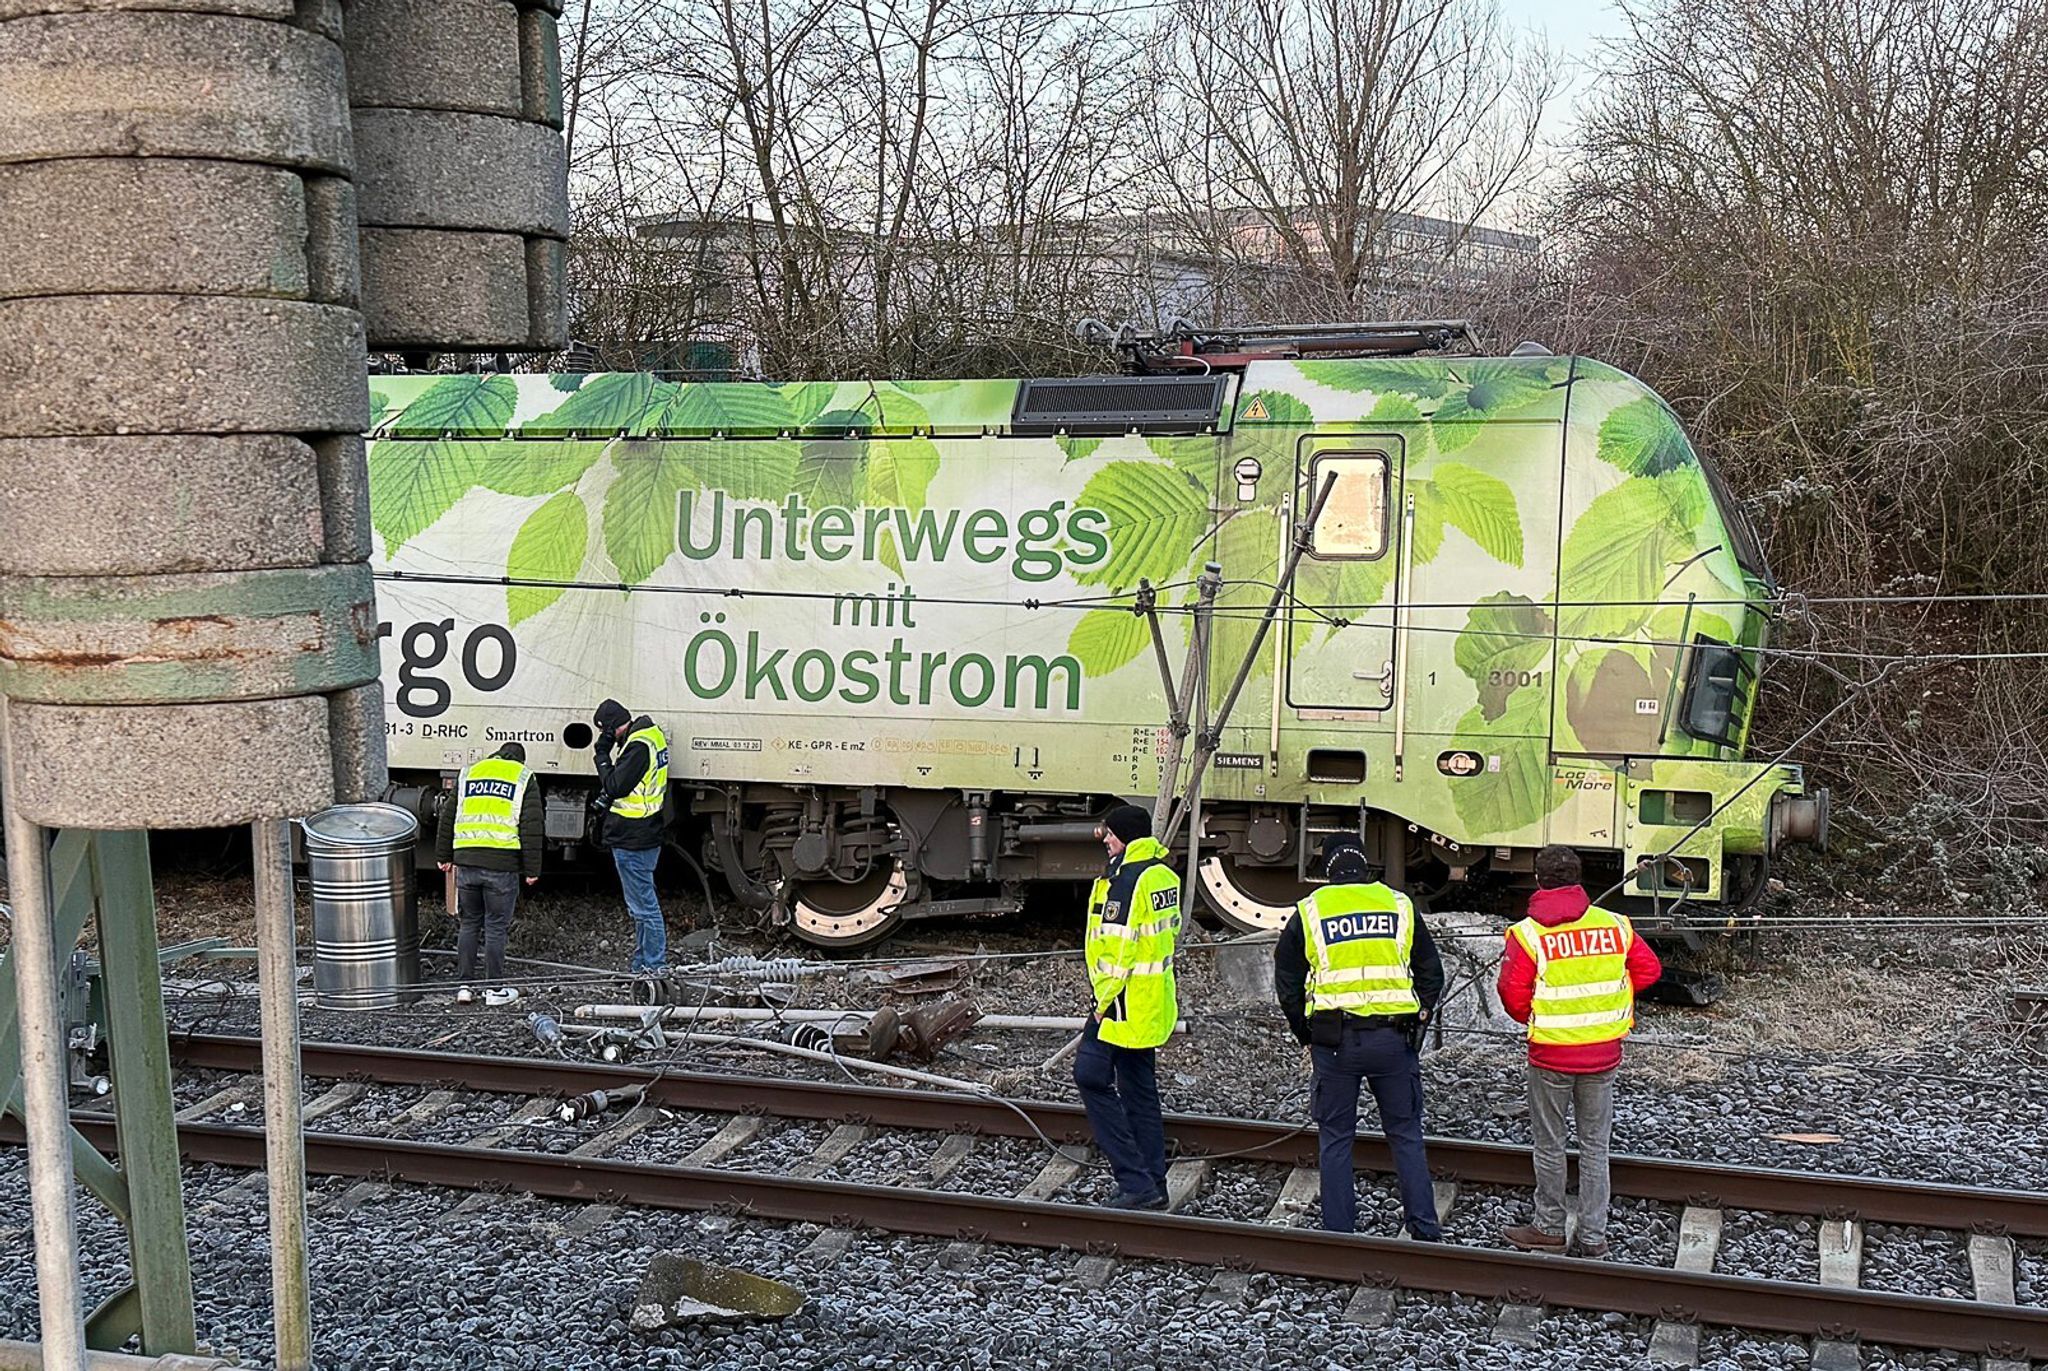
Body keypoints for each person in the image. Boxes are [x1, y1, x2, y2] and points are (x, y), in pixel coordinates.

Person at [1274, 833, 1445, 1239]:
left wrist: (1305, 1032)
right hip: (1394, 1042)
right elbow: (1430, 972)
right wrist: (1418, 1019)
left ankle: (1338, 1234)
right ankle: (1424, 1229)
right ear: (1366, 866)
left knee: (1335, 1139)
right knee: (1405, 1135)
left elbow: (1287, 981)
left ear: (1328, 870)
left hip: (1335, 1043)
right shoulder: (1399, 905)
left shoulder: (1311, 911)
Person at [1498, 844, 1663, 1259]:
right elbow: (1649, 970)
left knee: (1550, 1145)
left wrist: (1549, 1014)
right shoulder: (1616, 926)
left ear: (1538, 880)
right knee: (1595, 1146)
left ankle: (1550, 1227)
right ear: (1578, 879)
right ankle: (1593, 1237)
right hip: (1602, 1055)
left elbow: (1513, 996)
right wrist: (1603, 1004)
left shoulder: (1528, 935)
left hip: (1550, 1056)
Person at [1074, 804, 1181, 1210]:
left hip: (1119, 1002)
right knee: (1138, 1090)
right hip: (1151, 1001)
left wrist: (1101, 1005)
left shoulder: (1127, 881)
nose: (1106, 842)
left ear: (1126, 837)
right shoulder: (1161, 874)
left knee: (1089, 1075)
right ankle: (1154, 1181)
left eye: (1111, 835)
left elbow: (1118, 951)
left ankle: (1135, 1182)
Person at [435, 742, 542, 1006]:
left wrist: (443, 856)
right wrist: (532, 869)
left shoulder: (470, 773)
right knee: (496, 927)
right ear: (519, 759)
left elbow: (448, 816)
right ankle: (494, 990)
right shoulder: (523, 776)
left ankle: (464, 987)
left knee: (469, 923)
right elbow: (531, 825)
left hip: (467, 863)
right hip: (501, 865)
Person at [591, 698, 671, 975]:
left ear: (613, 728)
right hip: (646, 832)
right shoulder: (652, 735)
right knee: (640, 906)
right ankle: (642, 965)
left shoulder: (637, 746)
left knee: (644, 908)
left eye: (607, 732)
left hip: (632, 835)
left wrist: (602, 756)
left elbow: (615, 785)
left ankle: (654, 967)